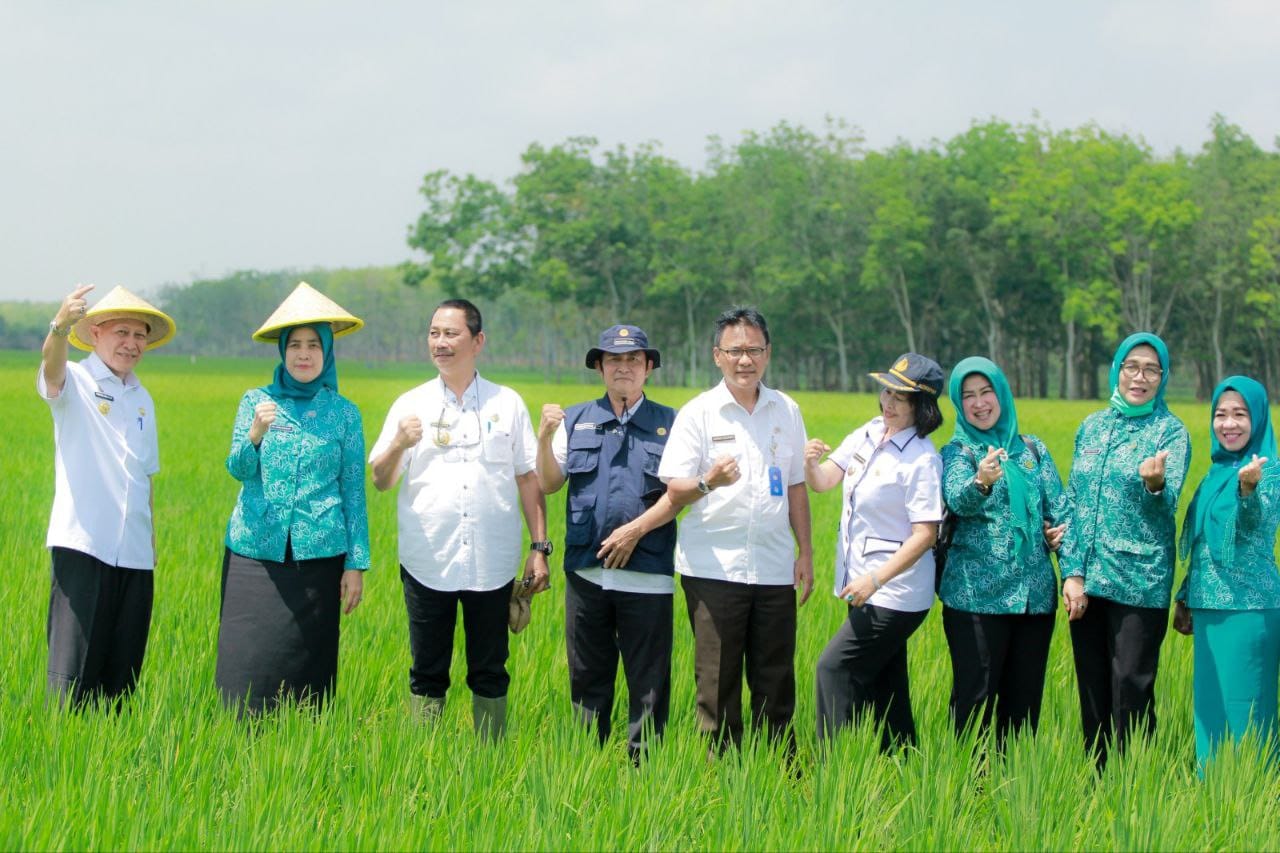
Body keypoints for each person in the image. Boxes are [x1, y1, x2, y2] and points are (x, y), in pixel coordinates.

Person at [370, 298, 549, 739]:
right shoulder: (410, 405)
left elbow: (528, 478)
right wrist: (397, 443)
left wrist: (539, 548)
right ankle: (424, 758)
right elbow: (381, 479)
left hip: (492, 564)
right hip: (428, 560)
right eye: (434, 333)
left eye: (451, 334)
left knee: (490, 668)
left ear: (477, 341)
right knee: (427, 668)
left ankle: (489, 759)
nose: (440, 343)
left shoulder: (506, 403)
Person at [656, 306, 813, 753]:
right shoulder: (699, 413)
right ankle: (719, 779)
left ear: (768, 353)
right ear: (717, 356)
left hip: (774, 566)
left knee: (776, 676)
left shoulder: (787, 409)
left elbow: (797, 485)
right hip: (713, 569)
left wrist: (805, 552)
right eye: (735, 351)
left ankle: (779, 772)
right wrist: (710, 480)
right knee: (717, 682)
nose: (746, 360)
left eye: (754, 350)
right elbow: (674, 484)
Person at [216, 282, 370, 715]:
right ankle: (237, 735)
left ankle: (302, 744)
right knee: (247, 654)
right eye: (296, 346)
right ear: (283, 351)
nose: (304, 355)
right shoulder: (256, 401)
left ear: (326, 354)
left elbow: (353, 492)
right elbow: (239, 470)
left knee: (308, 662)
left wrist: (356, 563)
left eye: (313, 346)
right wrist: (255, 435)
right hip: (254, 552)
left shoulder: (344, 413)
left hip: (319, 553)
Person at [535, 324, 678, 762]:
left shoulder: (671, 424)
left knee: (649, 683)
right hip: (586, 570)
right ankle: (586, 768)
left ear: (648, 367)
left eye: (634, 359)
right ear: (599, 366)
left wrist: (637, 530)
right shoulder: (575, 419)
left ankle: (644, 774)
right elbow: (548, 481)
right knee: (587, 677)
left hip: (648, 573)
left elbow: (682, 491)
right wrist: (543, 436)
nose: (624, 368)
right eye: (613, 360)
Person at [37, 283, 177, 707]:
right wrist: (60, 325)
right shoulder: (75, 380)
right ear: (95, 333)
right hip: (85, 544)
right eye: (121, 332)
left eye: (140, 336)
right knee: (73, 673)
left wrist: (149, 541)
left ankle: (111, 755)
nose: (131, 344)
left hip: (134, 554)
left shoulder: (142, 399)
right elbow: (50, 369)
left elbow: (144, 474)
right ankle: (66, 757)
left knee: (121, 676)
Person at [1060, 332, 1190, 768]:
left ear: (1163, 377)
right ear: (1117, 369)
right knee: (1093, 687)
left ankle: (1135, 781)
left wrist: (1155, 484)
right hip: (1090, 582)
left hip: (1140, 581)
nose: (1140, 377)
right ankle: (1097, 783)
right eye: (1132, 366)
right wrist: (1072, 573)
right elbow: (1075, 504)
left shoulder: (1169, 431)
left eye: (1151, 369)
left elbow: (1168, 499)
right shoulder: (1092, 426)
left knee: (1131, 686)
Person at [805, 352, 944, 752]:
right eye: (886, 391)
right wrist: (810, 463)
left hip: (894, 595)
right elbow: (825, 480)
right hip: (860, 584)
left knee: (833, 669)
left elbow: (925, 534)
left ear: (923, 406)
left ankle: (835, 771)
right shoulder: (869, 432)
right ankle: (903, 764)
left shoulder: (922, 458)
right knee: (887, 687)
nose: (888, 402)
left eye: (901, 398)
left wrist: (876, 578)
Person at [938, 357, 1070, 743]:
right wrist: (981, 482)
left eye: (986, 392)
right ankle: (968, 792)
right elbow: (958, 500)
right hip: (976, 599)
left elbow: (1059, 510)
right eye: (968, 396)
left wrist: (1070, 569)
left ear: (1002, 394)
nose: (979, 403)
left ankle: (1014, 794)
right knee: (974, 701)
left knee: (1023, 706)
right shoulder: (958, 452)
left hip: (1033, 600)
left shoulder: (1032, 449)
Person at [1173, 376, 1280, 770]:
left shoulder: (1269, 471)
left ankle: (1255, 796)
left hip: (1249, 608)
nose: (1228, 424)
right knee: (1213, 707)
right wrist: (1185, 597)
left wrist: (1248, 492)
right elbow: (1202, 543)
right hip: (1210, 611)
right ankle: (1213, 795)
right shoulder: (1215, 473)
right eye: (1220, 414)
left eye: (1240, 414)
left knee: (1248, 709)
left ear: (1258, 419)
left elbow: (1255, 524)